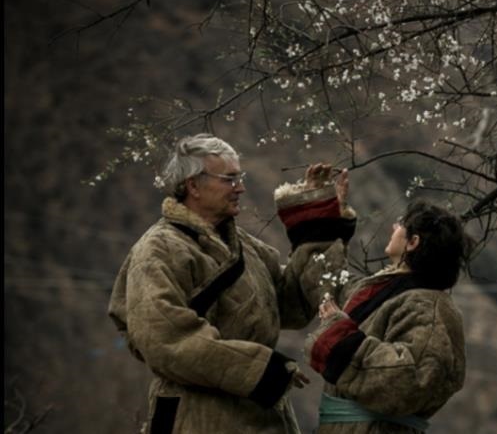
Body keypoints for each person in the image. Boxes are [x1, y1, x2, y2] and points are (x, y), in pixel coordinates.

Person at [109, 134, 354, 434]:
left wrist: (319, 220)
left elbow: (295, 306)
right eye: (229, 179)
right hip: (194, 417)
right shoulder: (158, 250)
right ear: (193, 185)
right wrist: (259, 370)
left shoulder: (247, 248)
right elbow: (164, 340)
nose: (241, 188)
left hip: (261, 416)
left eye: (240, 177)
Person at [284, 168, 467, 434]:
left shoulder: (430, 306)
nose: (394, 226)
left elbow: (411, 381)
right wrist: (325, 210)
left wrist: (340, 338)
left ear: (413, 242)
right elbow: (326, 283)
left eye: (401, 223)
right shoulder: (385, 289)